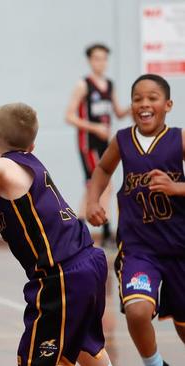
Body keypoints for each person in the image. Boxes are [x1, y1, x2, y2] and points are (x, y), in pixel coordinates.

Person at [0, 103, 112, 366]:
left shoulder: (9, 168)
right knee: (82, 344)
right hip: (86, 264)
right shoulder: (4, 186)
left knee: (34, 357)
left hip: (61, 275)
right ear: (32, 147)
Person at [87, 74, 185, 366]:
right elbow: (102, 170)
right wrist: (94, 201)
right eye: (137, 99)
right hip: (138, 248)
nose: (144, 104)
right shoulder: (122, 141)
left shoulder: (178, 138)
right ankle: (154, 364)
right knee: (137, 311)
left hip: (179, 248)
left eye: (152, 98)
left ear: (167, 104)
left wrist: (176, 187)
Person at [65, 43, 130, 246]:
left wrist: (138, 104)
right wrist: (94, 127)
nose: (101, 62)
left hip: (105, 144)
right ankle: (107, 233)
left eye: (103, 58)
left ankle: (76, 231)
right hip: (89, 144)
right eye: (96, 58)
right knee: (104, 185)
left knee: (92, 188)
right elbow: (69, 116)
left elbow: (118, 112)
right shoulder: (83, 85)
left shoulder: (109, 85)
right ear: (90, 61)